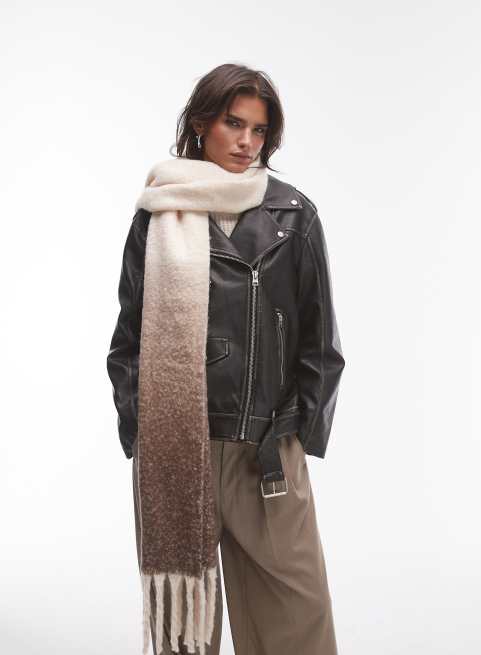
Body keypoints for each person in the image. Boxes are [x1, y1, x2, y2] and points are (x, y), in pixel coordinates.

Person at [106, 62, 346, 655]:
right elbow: (128, 340)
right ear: (200, 124)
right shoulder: (159, 214)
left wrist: (296, 438)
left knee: (298, 625)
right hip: (176, 451)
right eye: (233, 124)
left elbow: (321, 345)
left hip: (267, 453)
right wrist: (144, 432)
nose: (246, 142)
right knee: (183, 634)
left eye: (259, 130)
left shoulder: (293, 216)